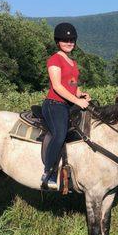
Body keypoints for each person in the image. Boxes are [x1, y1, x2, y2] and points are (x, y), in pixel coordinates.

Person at [42, 22, 90, 188]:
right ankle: (49, 172)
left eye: (71, 40)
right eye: (65, 40)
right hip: (54, 104)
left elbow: (71, 85)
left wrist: (80, 94)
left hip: (68, 103)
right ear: (58, 42)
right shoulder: (54, 60)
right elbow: (57, 86)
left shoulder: (72, 62)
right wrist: (77, 101)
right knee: (60, 134)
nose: (69, 42)